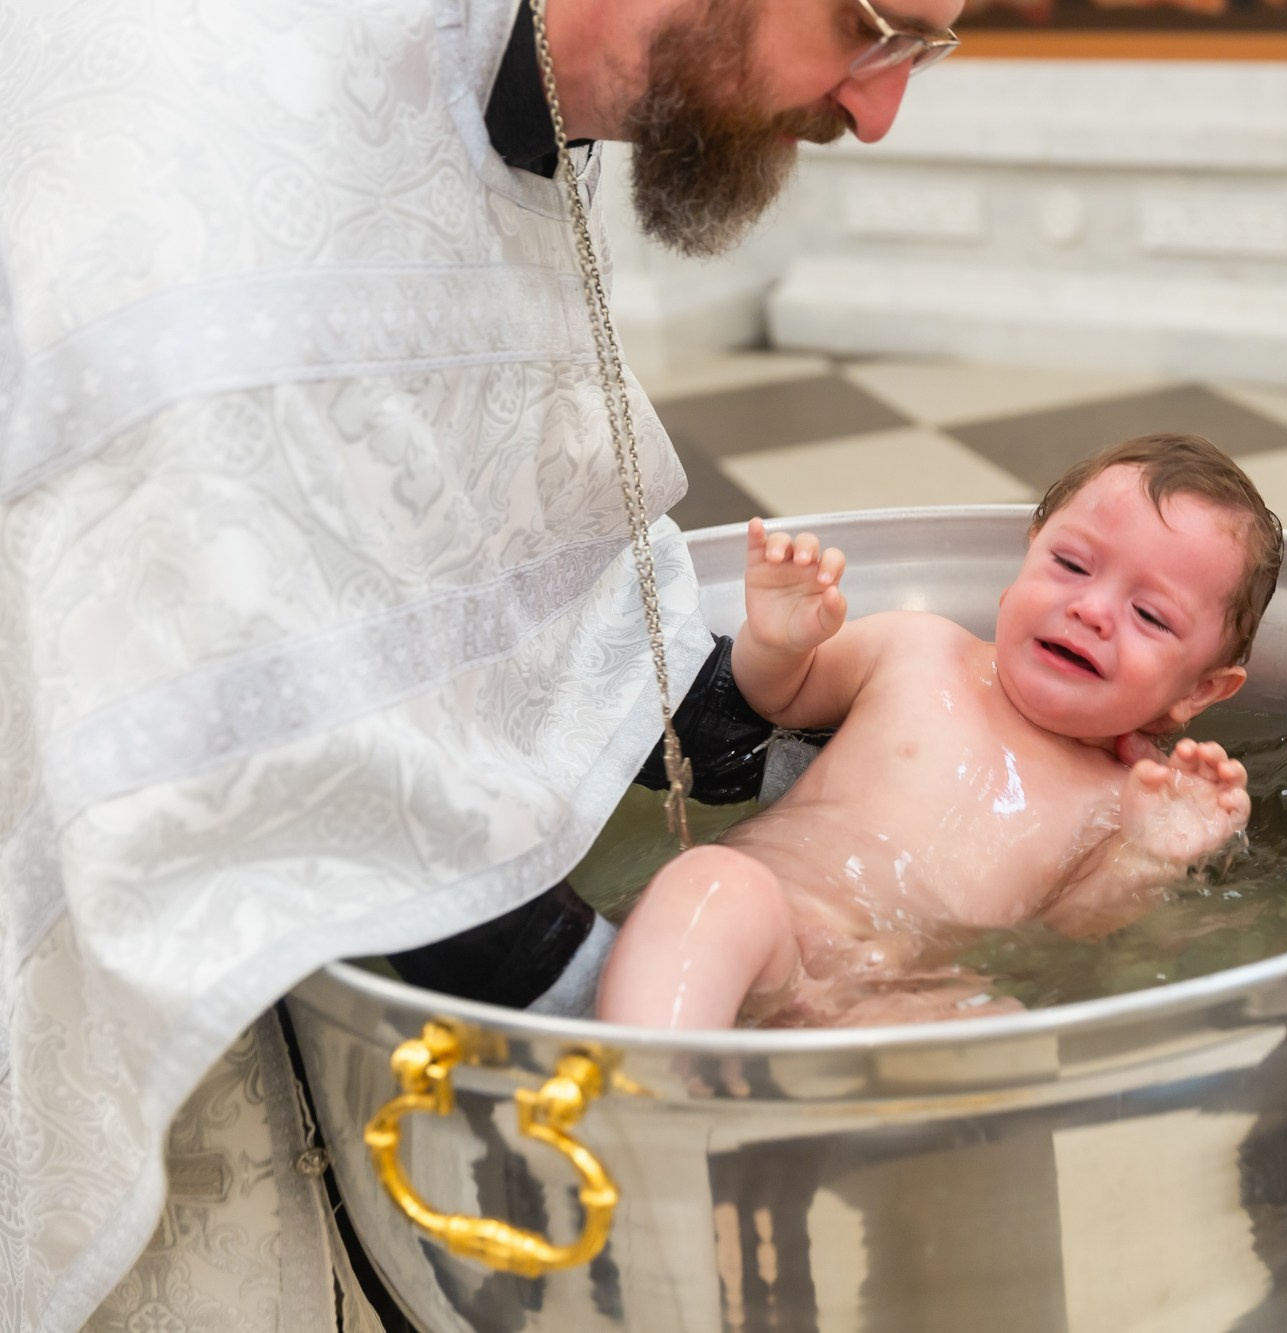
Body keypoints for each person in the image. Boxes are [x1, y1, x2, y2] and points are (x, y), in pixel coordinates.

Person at [0, 0, 961, 1328]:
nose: (878, 109)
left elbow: (494, 552)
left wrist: (791, 722)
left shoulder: (504, 87)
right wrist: (690, 1040)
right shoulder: (206, 128)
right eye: (876, 24)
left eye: (925, 49)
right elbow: (252, 712)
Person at [596, 435, 1286, 1030]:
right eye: (1071, 565)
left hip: (881, 992)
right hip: (753, 927)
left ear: (1200, 691)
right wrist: (776, 644)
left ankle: (738, 1121)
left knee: (1002, 1030)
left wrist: (1150, 856)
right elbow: (779, 698)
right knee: (713, 885)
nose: (1092, 610)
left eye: (1151, 616)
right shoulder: (917, 649)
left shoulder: (1120, 801)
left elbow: (1068, 932)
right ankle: (644, 1100)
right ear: (1027, 557)